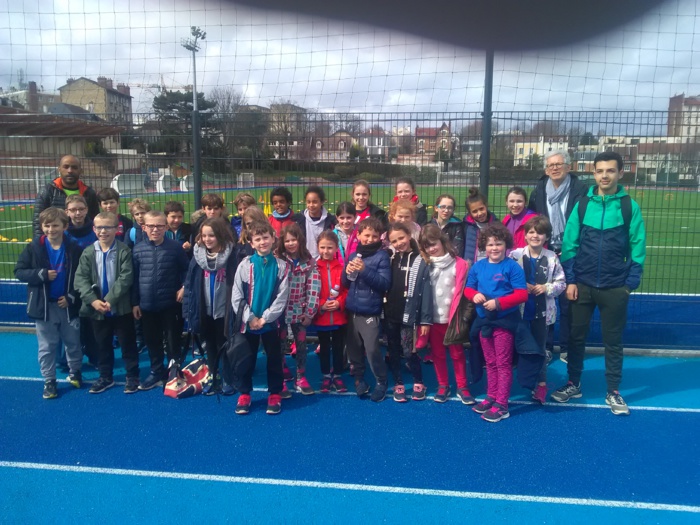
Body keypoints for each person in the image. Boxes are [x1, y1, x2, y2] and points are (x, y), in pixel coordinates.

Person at [551, 151, 646, 416]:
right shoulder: (582, 205)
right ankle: (573, 383)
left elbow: (638, 245)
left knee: (613, 341)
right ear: (594, 173)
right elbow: (570, 245)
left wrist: (629, 283)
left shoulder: (629, 207)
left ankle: (613, 391)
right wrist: (570, 280)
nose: (605, 175)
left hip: (615, 287)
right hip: (582, 285)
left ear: (620, 174)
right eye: (600, 171)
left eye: (610, 171)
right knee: (575, 338)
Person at [15, 207, 83, 399]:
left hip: (67, 305)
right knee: (47, 346)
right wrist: (41, 274)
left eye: (55, 225)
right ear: (41, 226)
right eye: (47, 225)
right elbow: (19, 272)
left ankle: (75, 371)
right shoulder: (33, 248)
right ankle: (49, 380)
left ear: (65, 226)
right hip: (44, 306)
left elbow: (82, 277)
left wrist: (71, 297)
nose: (51, 229)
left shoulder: (74, 248)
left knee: (73, 342)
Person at [528, 150, 588, 362]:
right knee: (545, 300)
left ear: (569, 167)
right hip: (547, 251)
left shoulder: (582, 190)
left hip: (572, 252)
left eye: (559, 164)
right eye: (551, 165)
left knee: (568, 301)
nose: (555, 168)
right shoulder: (538, 191)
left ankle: (566, 347)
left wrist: (575, 247)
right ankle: (546, 345)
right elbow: (533, 220)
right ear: (546, 169)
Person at [464, 223, 528, 423]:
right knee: (490, 362)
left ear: (505, 245)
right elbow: (468, 288)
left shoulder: (511, 266)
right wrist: (474, 295)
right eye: (490, 244)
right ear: (484, 246)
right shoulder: (479, 266)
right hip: (484, 321)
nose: (494, 248)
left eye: (498, 244)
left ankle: (502, 404)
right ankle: (491, 395)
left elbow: (522, 294)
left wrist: (499, 303)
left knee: (502, 362)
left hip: (504, 322)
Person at [74, 211, 140, 394]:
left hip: (120, 308)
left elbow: (126, 278)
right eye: (99, 227)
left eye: (108, 227)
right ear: (94, 229)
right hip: (97, 309)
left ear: (117, 229)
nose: (103, 231)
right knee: (101, 344)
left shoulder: (124, 251)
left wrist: (109, 300)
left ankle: (132, 375)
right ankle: (105, 376)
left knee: (127, 343)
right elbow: (80, 279)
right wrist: (94, 301)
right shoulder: (88, 252)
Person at [231, 221, 290, 415]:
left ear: (273, 239)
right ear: (251, 242)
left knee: (274, 359)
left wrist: (264, 319)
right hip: (249, 324)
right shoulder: (245, 264)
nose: (263, 242)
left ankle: (274, 393)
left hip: (271, 324)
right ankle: (245, 393)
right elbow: (237, 295)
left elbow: (282, 298)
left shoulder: (282, 267)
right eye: (258, 239)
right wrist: (250, 318)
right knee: (247, 359)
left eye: (266, 238)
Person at [509, 216, 566, 404]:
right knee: (514, 349)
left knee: (540, 350)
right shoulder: (515, 256)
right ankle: (510, 384)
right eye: (531, 232)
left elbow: (561, 283)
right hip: (518, 312)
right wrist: (520, 285)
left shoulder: (552, 258)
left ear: (546, 236)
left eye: (539, 232)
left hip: (542, 314)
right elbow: (505, 278)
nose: (535, 236)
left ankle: (541, 385)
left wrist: (546, 288)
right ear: (525, 235)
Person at [131, 211, 189, 391]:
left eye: (159, 226)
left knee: (173, 340)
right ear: (144, 227)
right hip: (147, 306)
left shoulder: (175, 248)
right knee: (152, 340)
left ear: (165, 227)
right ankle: (156, 372)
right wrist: (135, 303)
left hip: (170, 304)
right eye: (151, 226)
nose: (155, 229)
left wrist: (184, 287)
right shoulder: (138, 249)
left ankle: (174, 372)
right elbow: (134, 279)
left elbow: (187, 270)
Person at [418, 224, 474, 405]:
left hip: (452, 319)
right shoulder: (424, 264)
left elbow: (463, 292)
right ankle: (443, 385)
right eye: (427, 246)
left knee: (457, 354)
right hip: (432, 320)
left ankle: (462, 386)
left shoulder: (459, 263)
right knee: (438, 354)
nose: (431, 249)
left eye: (434, 244)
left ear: (442, 241)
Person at [183, 217, 237, 395]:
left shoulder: (232, 256)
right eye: (204, 236)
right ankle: (213, 375)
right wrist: (188, 311)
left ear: (220, 236)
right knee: (211, 345)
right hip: (204, 309)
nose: (207, 239)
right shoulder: (197, 257)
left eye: (211, 236)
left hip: (225, 310)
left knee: (226, 344)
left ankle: (229, 377)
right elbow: (190, 285)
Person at [341, 217, 391, 402]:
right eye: (366, 235)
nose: (369, 239)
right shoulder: (354, 255)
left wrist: (364, 271)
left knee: (372, 349)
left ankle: (381, 381)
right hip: (352, 309)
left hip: (369, 311)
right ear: (359, 235)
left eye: (374, 236)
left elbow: (384, 283)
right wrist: (347, 273)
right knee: (354, 349)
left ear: (380, 238)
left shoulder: (382, 256)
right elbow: (345, 283)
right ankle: (359, 379)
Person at [385, 223, 432, 402]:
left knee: (408, 350)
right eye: (394, 241)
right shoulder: (390, 258)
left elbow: (427, 292)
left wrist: (425, 319)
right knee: (393, 349)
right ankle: (398, 383)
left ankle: (418, 381)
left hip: (409, 315)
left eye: (401, 238)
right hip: (390, 313)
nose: (398, 243)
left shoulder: (421, 259)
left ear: (409, 235)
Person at [276, 223, 321, 395]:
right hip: (279, 311)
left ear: (300, 241)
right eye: (287, 241)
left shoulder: (309, 263)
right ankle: (280, 375)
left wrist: (310, 312)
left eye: (294, 240)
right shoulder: (277, 260)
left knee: (301, 344)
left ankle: (300, 376)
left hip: (300, 311)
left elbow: (314, 288)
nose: (291, 243)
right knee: (279, 344)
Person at [313, 230, 349, 393]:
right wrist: (321, 305)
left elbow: (347, 290)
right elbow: (311, 292)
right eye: (322, 247)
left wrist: (339, 303)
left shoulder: (342, 268)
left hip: (339, 316)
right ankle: (326, 375)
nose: (326, 251)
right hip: (322, 317)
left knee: (338, 345)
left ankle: (339, 375)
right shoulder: (313, 268)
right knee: (325, 347)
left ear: (336, 248)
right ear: (317, 248)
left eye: (329, 247)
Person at [33, 155, 99, 238]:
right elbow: (37, 222)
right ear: (59, 169)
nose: (70, 171)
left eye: (74, 167)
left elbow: (96, 220)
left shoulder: (89, 193)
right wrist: (40, 245)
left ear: (80, 171)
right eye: (66, 167)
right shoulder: (47, 192)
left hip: (84, 243)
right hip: (57, 243)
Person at [293, 185, 337, 258]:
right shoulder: (299, 220)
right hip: (304, 260)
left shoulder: (330, 221)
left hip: (324, 259)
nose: (311, 205)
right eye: (308, 202)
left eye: (315, 202)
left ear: (322, 202)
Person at [462, 187, 498, 265]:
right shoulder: (465, 226)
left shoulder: (496, 224)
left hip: (491, 266)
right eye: (474, 211)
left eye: (481, 209)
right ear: (469, 212)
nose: (479, 213)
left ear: (486, 206)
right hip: (471, 267)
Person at [502, 186, 538, 251]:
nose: (515, 205)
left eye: (519, 201)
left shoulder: (534, 219)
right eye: (512, 201)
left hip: (526, 258)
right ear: (506, 202)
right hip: (508, 259)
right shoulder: (506, 219)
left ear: (525, 202)